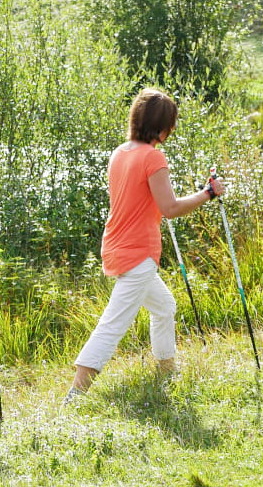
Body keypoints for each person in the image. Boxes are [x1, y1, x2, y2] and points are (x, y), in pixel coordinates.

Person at [66, 88, 225, 401]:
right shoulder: (153, 156)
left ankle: (167, 371)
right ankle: (75, 395)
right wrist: (208, 193)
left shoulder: (121, 152)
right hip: (138, 252)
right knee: (113, 323)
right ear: (165, 127)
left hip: (116, 245)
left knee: (164, 306)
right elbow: (170, 209)